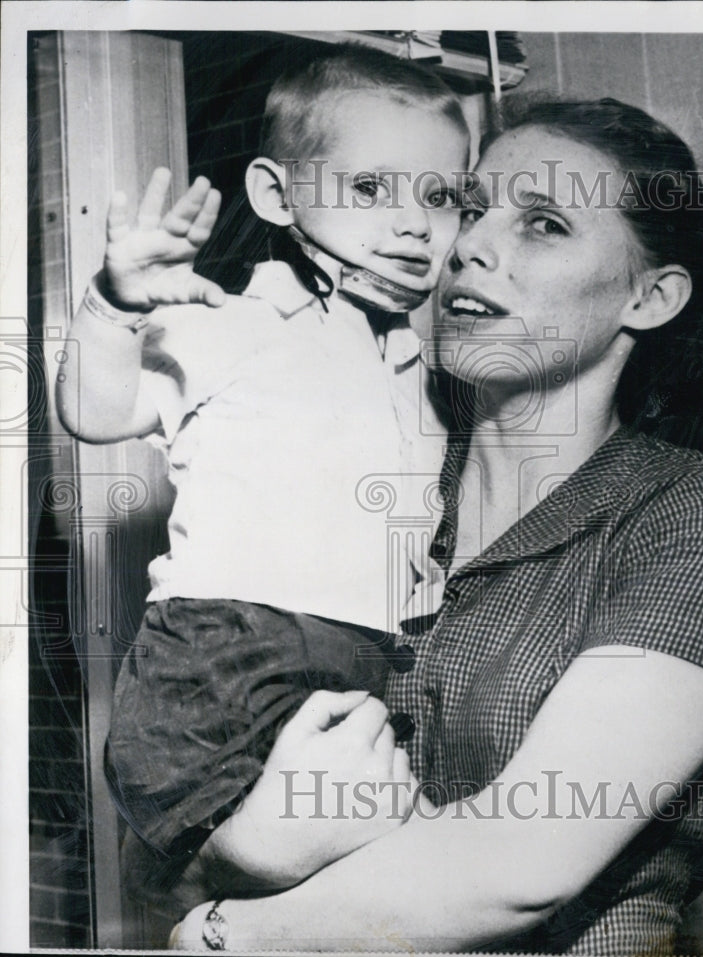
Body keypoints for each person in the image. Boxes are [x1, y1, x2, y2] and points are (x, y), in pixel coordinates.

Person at [171, 96, 703, 954]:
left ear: (650, 297)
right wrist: (240, 847)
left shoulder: (698, 525)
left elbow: (518, 862)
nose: (468, 245)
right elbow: (184, 790)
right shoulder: (375, 470)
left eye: (542, 224)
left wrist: (219, 932)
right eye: (469, 209)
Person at [55, 44, 470, 895]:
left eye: (441, 197)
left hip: (373, 659)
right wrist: (116, 305)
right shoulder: (236, 321)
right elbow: (95, 413)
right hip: (227, 660)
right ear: (277, 196)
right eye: (369, 189)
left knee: (369, 881)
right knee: (227, 861)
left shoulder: (432, 377)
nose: (414, 225)